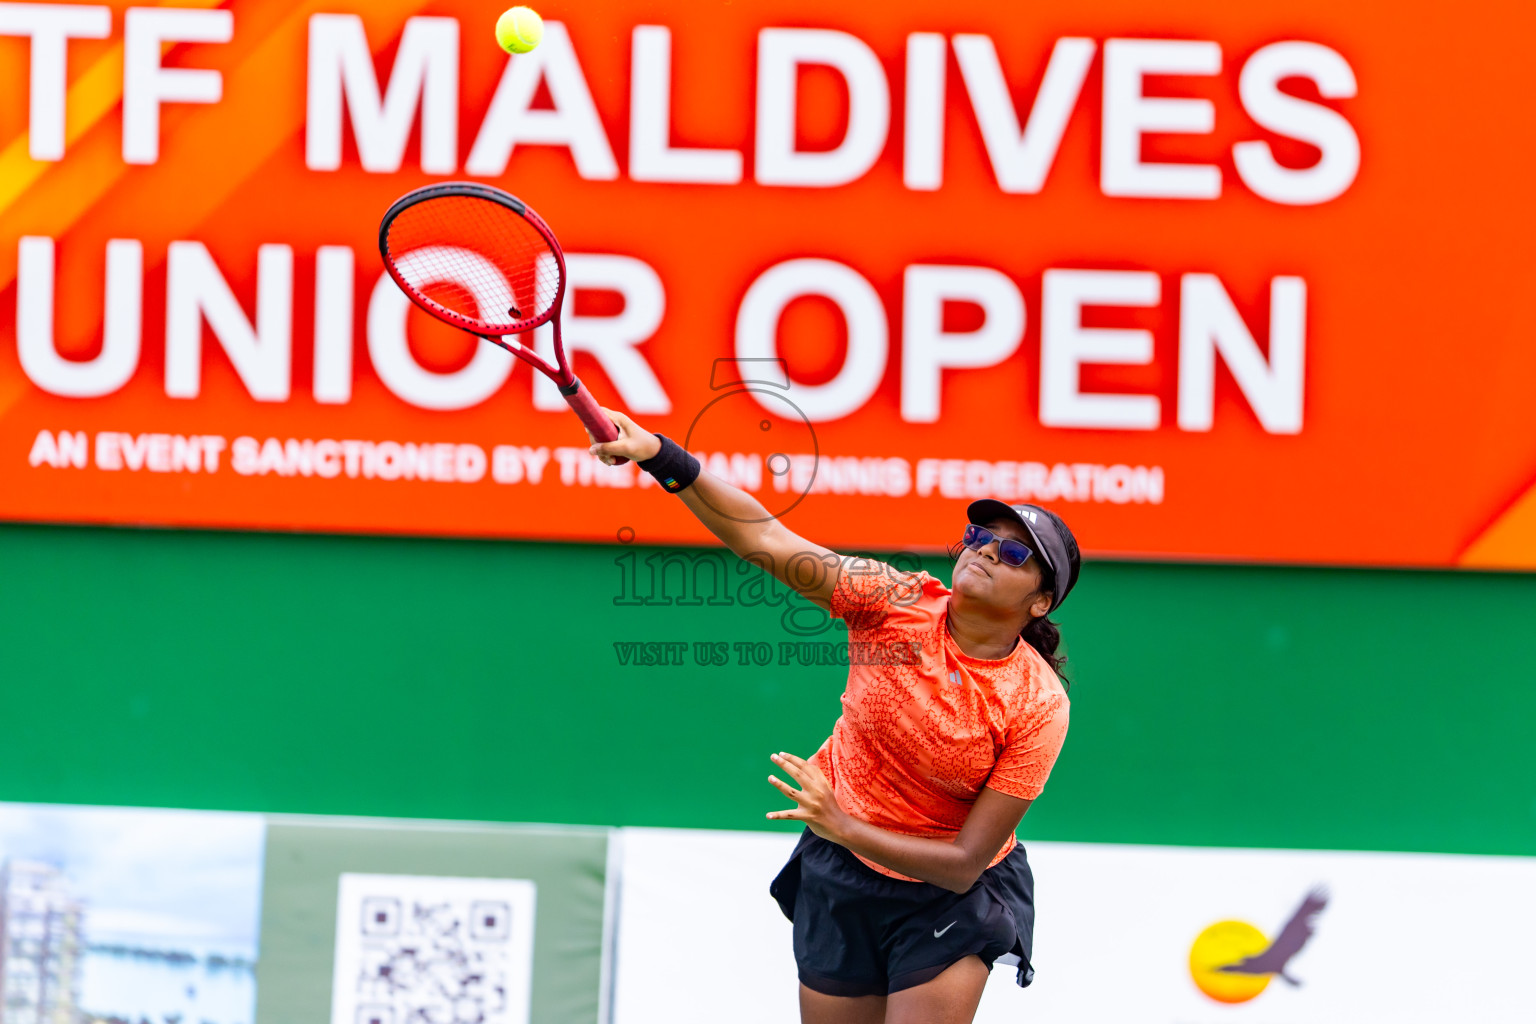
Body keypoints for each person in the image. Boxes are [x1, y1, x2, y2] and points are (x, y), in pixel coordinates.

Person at [588, 414, 1078, 1024]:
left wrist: (842, 824)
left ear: (1039, 601)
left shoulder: (1037, 704)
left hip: (946, 894)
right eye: (980, 536)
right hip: (843, 875)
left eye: (1012, 553)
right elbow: (764, 538)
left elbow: (963, 864)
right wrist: (661, 455)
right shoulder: (893, 601)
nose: (985, 551)